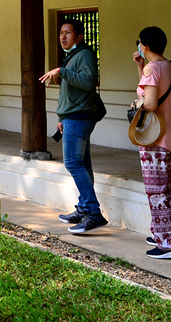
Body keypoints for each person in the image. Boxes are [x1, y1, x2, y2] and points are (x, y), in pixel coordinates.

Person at [40, 18, 108, 234]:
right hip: (72, 116)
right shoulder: (72, 55)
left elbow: (88, 82)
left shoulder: (85, 54)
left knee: (73, 163)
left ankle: (93, 213)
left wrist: (62, 71)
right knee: (83, 164)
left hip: (79, 117)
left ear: (79, 36)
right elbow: (69, 91)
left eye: (68, 32)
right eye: (61, 32)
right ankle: (84, 208)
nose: (63, 36)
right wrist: (61, 116)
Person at [132, 26, 171, 259]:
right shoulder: (169, 66)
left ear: (145, 46)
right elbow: (152, 91)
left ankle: (169, 244)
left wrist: (137, 104)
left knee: (156, 192)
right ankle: (161, 233)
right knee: (166, 190)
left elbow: (150, 103)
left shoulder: (152, 68)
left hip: (156, 138)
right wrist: (140, 67)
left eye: (139, 43)